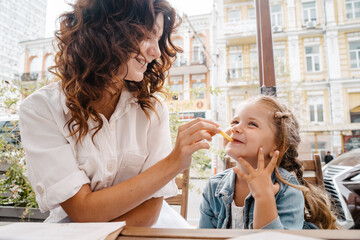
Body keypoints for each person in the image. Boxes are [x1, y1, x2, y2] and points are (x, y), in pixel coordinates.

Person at [19, 0, 220, 226]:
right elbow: (82, 211)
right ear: (108, 30)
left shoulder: (152, 109)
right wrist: (174, 162)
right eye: (147, 35)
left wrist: (97, 211)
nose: (156, 51)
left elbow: (150, 212)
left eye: (158, 38)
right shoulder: (40, 110)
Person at [199, 95, 338, 229]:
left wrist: (263, 196)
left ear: (278, 145)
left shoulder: (286, 189)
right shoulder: (213, 186)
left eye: (252, 124)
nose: (235, 128)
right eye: (235, 122)